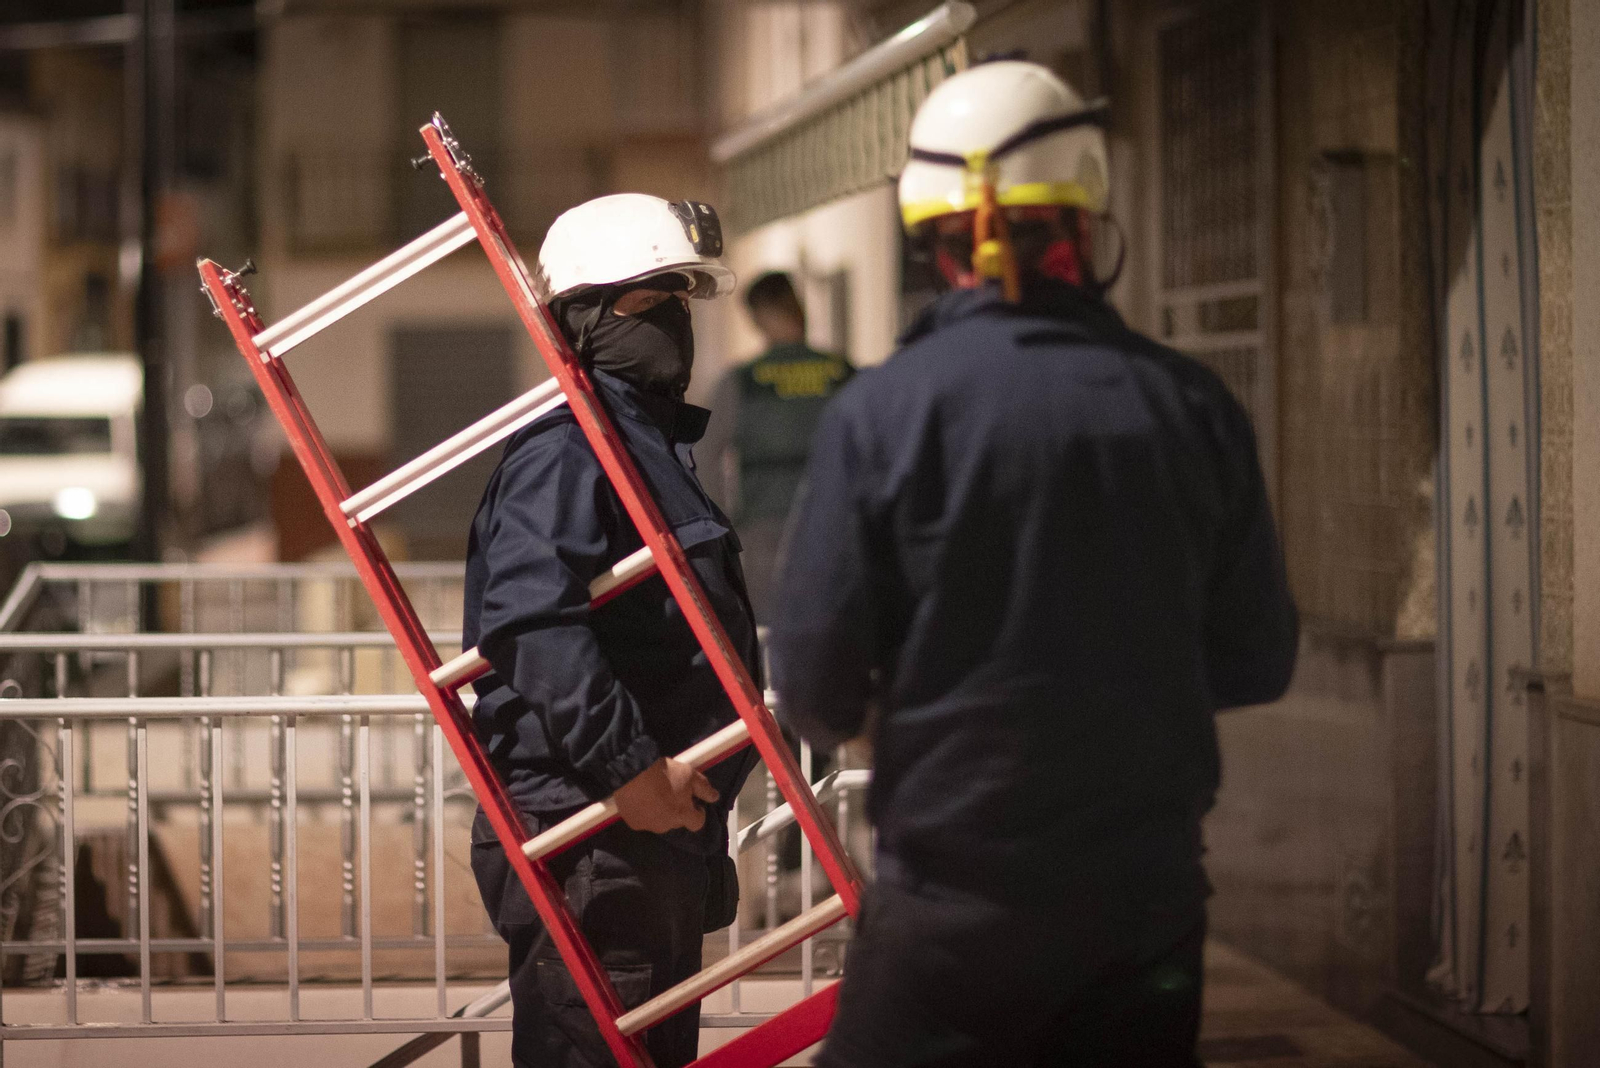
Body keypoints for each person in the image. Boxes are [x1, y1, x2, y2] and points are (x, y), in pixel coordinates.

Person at [769, 61, 1299, 1068]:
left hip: (955, 907)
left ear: (932, 239)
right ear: (1085, 225)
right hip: (1146, 910)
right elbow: (1256, 661)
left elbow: (814, 687)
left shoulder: (883, 414)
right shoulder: (1190, 406)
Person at [463, 193, 759, 1068]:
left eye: (681, 296)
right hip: (596, 835)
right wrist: (627, 766)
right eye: (648, 298)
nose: (673, 316)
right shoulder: (570, 452)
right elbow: (527, 617)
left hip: (654, 841)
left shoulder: (645, 450)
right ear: (582, 317)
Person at [707, 271, 853, 621]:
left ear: (758, 316)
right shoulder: (842, 372)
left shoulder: (743, 381)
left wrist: (724, 524)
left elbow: (704, 454)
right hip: (838, 524)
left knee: (771, 634)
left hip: (766, 530)